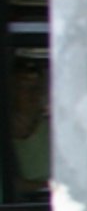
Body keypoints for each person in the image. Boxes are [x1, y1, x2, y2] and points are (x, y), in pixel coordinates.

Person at [10, 60, 48, 196]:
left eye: (36, 88)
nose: (32, 95)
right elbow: (11, 186)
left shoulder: (57, 131)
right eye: (23, 88)